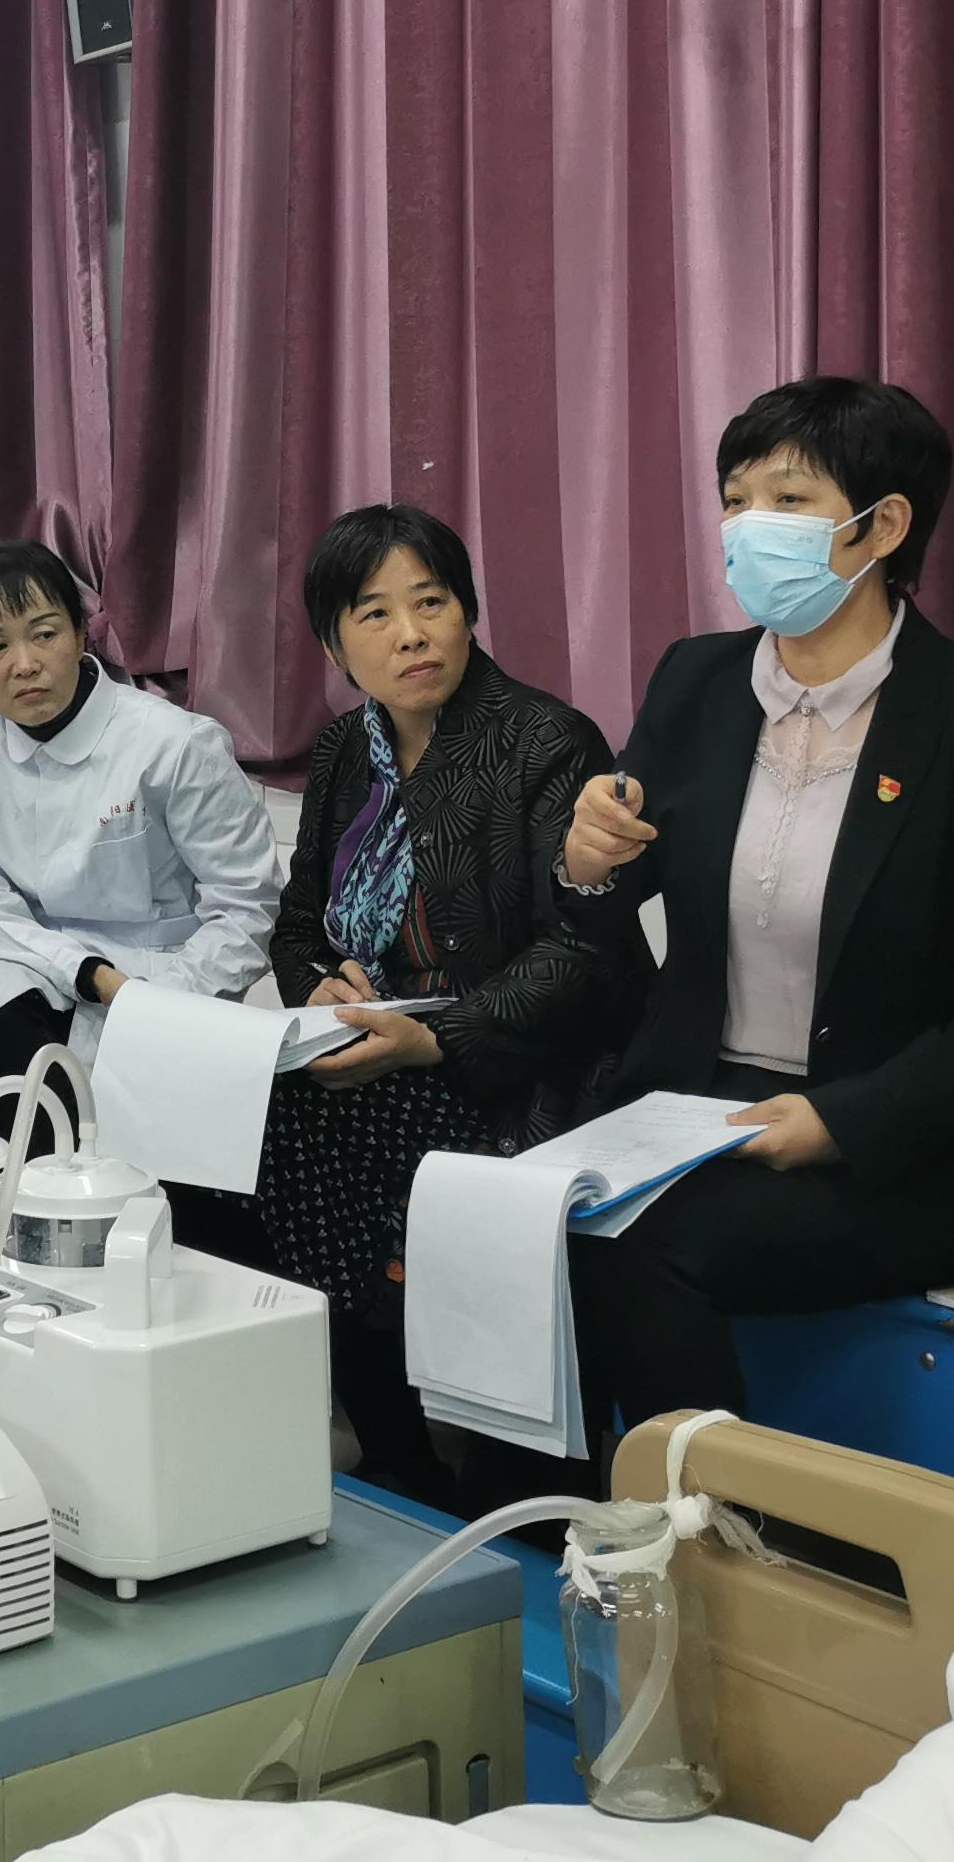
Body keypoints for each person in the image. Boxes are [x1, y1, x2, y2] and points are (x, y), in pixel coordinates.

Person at [552, 377, 954, 1474]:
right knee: (515, 1209)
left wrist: (841, 1122)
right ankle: (547, 1513)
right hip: (703, 1109)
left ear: (883, 528)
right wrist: (587, 864)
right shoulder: (697, 678)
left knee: (636, 1250)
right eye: (735, 498)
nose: (750, 526)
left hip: (904, 1146)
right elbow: (618, 890)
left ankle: (714, 1535)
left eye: (788, 500)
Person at [252, 505, 641, 1503]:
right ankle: (391, 1445)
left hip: (533, 1061)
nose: (411, 635)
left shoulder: (545, 740)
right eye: (374, 614)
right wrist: (319, 984)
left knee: (365, 1134)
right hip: (382, 1046)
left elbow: (582, 953)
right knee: (257, 1128)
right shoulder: (343, 752)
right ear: (334, 645)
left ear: (468, 611)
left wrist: (435, 1042)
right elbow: (296, 926)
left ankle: (514, 1481)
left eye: (431, 603)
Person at [0, 542, 280, 1207]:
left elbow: (246, 909)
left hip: (169, 984)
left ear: (82, 633)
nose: (24, 663)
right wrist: (85, 973)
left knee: (147, 1209)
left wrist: (148, 1001)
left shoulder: (175, 743)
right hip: (32, 975)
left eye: (44, 634)